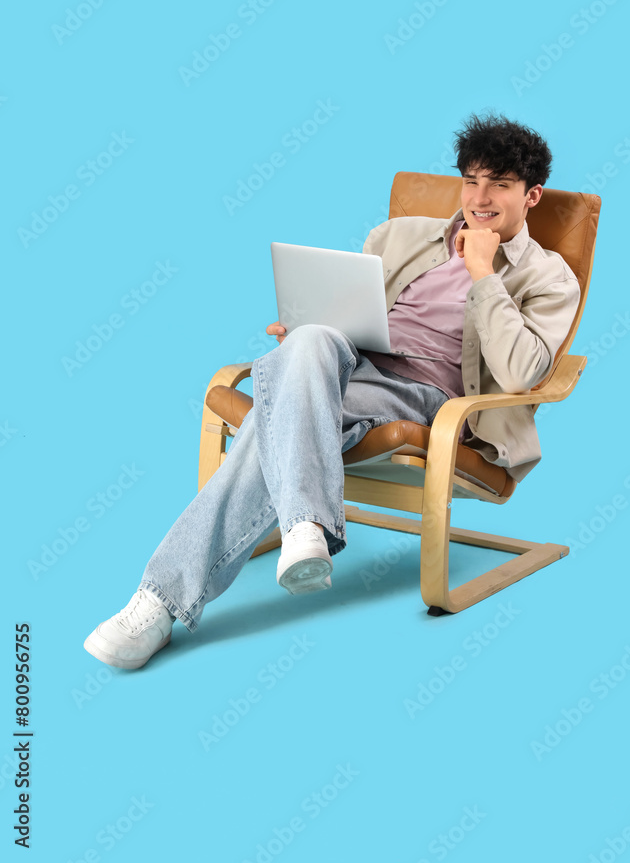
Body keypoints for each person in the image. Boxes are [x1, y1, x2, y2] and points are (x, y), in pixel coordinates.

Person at [83, 112, 580, 670]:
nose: (480, 197)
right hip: (345, 363)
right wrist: (306, 330)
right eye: (471, 180)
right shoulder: (401, 236)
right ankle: (305, 525)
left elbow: (519, 374)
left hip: (421, 393)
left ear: (532, 195)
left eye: (500, 184)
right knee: (310, 338)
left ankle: (157, 601)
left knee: (269, 417)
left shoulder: (549, 277)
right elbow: (351, 312)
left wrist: (485, 273)